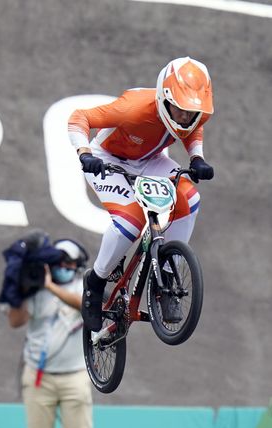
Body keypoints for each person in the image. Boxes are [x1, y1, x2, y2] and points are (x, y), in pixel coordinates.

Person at [67, 56, 214, 331]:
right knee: (131, 222)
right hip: (107, 159)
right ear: (164, 98)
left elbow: (194, 128)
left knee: (190, 199)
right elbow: (79, 118)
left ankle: (167, 277)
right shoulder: (132, 109)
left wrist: (196, 158)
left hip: (150, 160)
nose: (184, 118)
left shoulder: (191, 115)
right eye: (178, 110)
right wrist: (84, 153)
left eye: (189, 113)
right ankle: (95, 283)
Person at [7, 238, 96, 428]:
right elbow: (15, 321)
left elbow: (84, 305)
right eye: (57, 261)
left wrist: (51, 287)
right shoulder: (36, 287)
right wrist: (21, 289)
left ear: (77, 264)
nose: (62, 267)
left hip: (74, 375)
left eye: (67, 262)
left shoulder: (83, 286)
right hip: (38, 374)